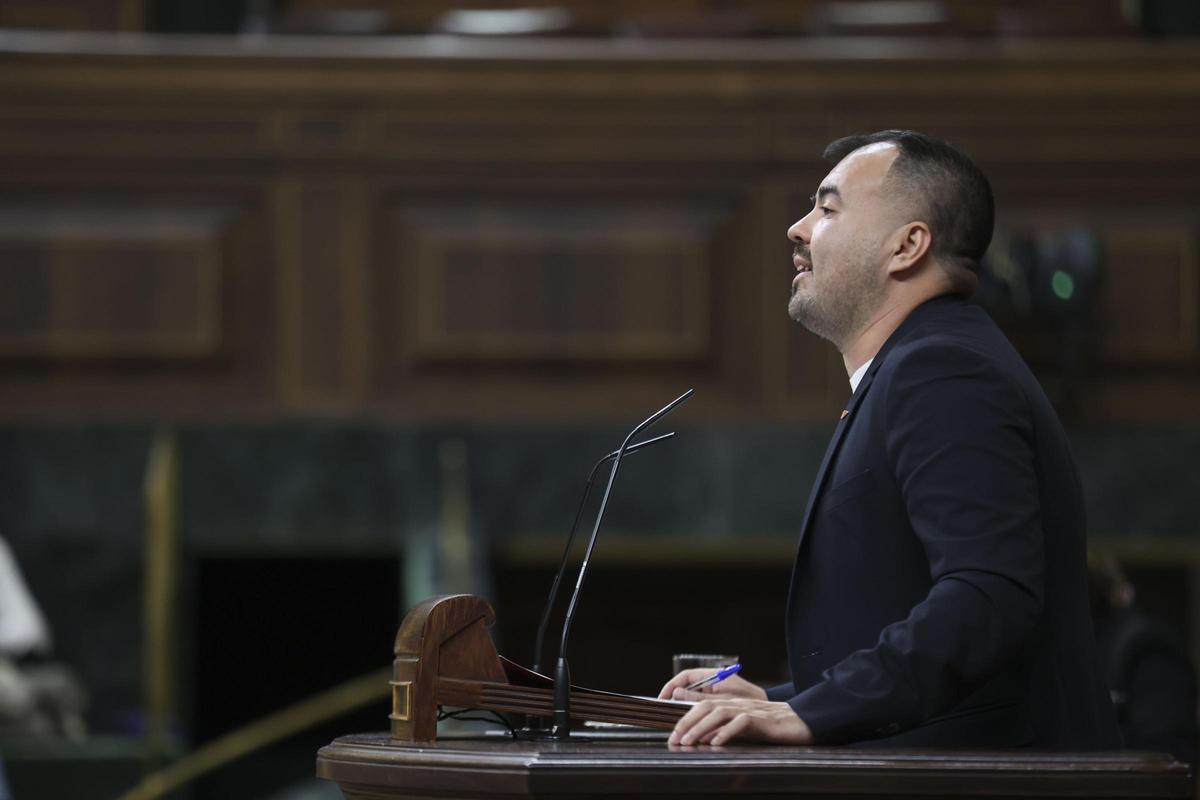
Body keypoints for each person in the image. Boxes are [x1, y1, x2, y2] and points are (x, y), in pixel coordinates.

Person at [659, 130, 1121, 750]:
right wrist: (785, 700)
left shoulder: (943, 370)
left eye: (826, 208)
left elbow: (988, 595)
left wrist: (813, 715)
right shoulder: (922, 363)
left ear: (907, 246)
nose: (797, 228)